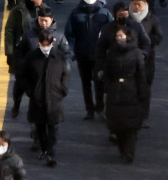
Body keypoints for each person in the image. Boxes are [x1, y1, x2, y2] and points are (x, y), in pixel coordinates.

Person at [12, 8, 72, 152]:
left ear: (52, 20)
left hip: (53, 82)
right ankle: (37, 138)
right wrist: (22, 70)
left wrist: (63, 84)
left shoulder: (59, 36)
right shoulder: (29, 35)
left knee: (52, 114)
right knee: (36, 111)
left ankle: (50, 146)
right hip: (35, 78)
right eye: (41, 20)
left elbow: (67, 56)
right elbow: (19, 53)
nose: (44, 23)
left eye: (46, 20)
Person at [20, 30, 70, 166]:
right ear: (39, 42)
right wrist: (30, 91)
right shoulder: (31, 57)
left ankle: (51, 154)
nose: (46, 47)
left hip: (55, 98)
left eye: (48, 44)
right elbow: (24, 76)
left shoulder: (59, 57)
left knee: (53, 127)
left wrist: (63, 89)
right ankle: (44, 150)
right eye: (43, 44)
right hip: (37, 98)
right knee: (40, 127)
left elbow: (65, 73)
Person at [103, 28, 148, 163]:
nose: (119, 39)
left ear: (128, 37)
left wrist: (142, 91)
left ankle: (130, 151)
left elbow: (141, 74)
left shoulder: (136, 53)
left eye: (121, 36)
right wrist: (107, 88)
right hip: (115, 91)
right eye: (117, 36)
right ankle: (122, 148)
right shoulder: (111, 53)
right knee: (117, 124)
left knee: (131, 125)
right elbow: (107, 73)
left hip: (131, 90)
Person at [64, 0, 113, 121]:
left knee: (99, 83)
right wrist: (72, 51)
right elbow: (69, 34)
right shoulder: (75, 14)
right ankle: (89, 110)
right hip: (82, 55)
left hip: (99, 56)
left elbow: (113, 31)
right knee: (85, 84)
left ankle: (100, 108)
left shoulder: (105, 13)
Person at [95, 1, 151, 103]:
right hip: (114, 66)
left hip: (132, 65)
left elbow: (146, 43)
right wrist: (100, 67)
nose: (124, 17)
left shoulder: (136, 27)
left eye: (126, 14)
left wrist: (142, 55)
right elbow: (100, 49)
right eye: (121, 15)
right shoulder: (107, 29)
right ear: (115, 15)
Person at [130, 0, 163, 128]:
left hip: (146, 59)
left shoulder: (152, 19)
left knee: (145, 87)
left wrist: (147, 43)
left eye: (139, 4)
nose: (136, 7)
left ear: (145, 5)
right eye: (134, 3)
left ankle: (143, 116)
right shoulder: (127, 18)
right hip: (130, 58)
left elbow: (159, 36)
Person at [5, 0, 52, 75]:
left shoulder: (45, 9)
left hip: (40, 53)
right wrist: (10, 52)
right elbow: (9, 32)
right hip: (24, 52)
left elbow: (52, 29)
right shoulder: (17, 11)